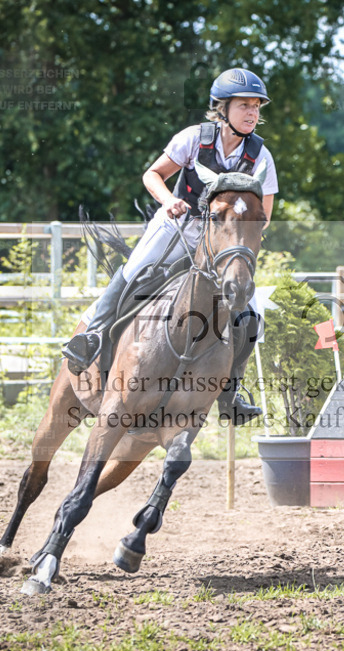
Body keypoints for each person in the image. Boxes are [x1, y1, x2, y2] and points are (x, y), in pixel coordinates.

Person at [63, 67, 278, 425]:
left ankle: (232, 393)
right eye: (245, 105)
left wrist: (237, 234)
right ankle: (91, 337)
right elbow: (153, 175)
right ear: (222, 108)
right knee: (135, 271)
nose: (253, 113)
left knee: (251, 315)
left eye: (256, 106)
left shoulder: (261, 156)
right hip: (178, 224)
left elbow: (264, 213)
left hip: (223, 240)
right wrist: (167, 201)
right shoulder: (194, 138)